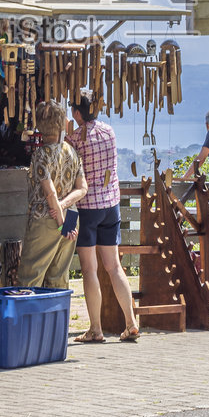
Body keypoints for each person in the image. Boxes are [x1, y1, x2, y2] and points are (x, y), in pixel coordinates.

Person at [68, 88, 140, 343]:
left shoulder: (74, 138)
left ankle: (96, 329)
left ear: (77, 112)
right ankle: (130, 322)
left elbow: (70, 169)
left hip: (87, 208)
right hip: (111, 204)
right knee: (114, 267)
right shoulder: (109, 131)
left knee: (90, 269)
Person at [20, 101, 87, 289]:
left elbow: (49, 194)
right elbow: (82, 188)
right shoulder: (71, 151)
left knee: (30, 276)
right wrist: (65, 209)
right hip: (71, 218)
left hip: (47, 218)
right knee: (59, 277)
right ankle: (58, 317)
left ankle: (29, 318)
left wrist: (60, 223)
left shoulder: (41, 154)